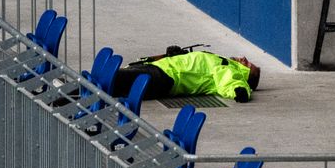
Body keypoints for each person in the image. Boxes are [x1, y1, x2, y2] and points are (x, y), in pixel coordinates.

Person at [112, 48, 261, 102]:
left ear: (245, 75)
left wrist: (239, 91)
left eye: (247, 65)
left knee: (114, 79)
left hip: (166, 77)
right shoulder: (224, 61)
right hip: (160, 68)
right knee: (114, 79)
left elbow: (230, 81)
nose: (244, 59)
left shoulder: (229, 69)